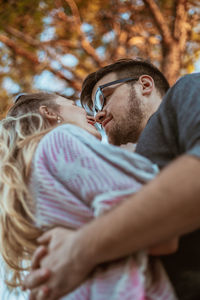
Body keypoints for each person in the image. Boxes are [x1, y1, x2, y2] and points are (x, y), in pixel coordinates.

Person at [23, 59, 200, 300]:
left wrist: (77, 249)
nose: (98, 115)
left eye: (102, 98)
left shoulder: (187, 90)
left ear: (144, 85)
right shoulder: (111, 170)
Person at [0, 92, 177, 299]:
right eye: (73, 104)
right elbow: (160, 226)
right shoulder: (59, 141)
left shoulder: (26, 196)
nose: (91, 114)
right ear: (48, 112)